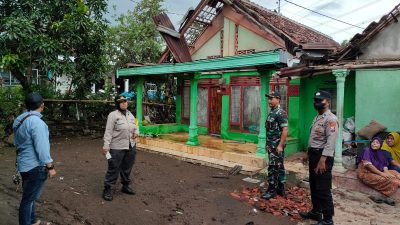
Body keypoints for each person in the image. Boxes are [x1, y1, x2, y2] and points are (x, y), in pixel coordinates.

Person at [13, 92, 56, 225]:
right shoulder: (37, 123)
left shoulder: (19, 119)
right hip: (35, 166)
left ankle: (32, 221)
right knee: (28, 199)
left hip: (24, 164)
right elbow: (42, 148)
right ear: (42, 105)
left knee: (29, 197)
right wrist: (50, 166)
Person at [300, 90, 338, 225]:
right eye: (315, 100)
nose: (317, 103)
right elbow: (313, 138)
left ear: (327, 102)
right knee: (314, 186)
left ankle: (328, 219)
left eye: (320, 100)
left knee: (323, 188)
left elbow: (331, 140)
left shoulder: (331, 119)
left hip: (323, 157)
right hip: (314, 155)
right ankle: (316, 212)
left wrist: (323, 160)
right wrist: (307, 153)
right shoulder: (317, 118)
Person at [102, 95, 139, 201]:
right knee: (114, 167)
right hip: (116, 147)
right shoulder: (113, 115)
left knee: (127, 167)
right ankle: (108, 188)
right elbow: (108, 131)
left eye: (125, 101)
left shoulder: (130, 114)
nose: (124, 103)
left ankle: (125, 186)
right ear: (117, 104)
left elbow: (136, 126)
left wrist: (136, 132)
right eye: (121, 102)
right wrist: (106, 146)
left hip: (130, 145)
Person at [357, 137, 400, 205]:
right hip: (366, 173)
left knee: (396, 174)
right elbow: (369, 166)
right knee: (393, 181)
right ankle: (384, 196)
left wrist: (387, 173)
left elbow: (384, 166)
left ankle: (381, 197)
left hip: (376, 172)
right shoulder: (367, 150)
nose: (374, 144)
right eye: (373, 142)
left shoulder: (380, 153)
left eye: (377, 143)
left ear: (380, 145)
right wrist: (382, 174)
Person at [261, 92, 288, 200]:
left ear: (278, 99)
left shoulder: (280, 113)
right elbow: (270, 130)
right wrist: (267, 144)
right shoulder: (272, 112)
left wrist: (280, 145)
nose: (269, 101)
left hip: (276, 146)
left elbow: (285, 130)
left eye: (271, 98)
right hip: (272, 145)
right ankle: (281, 189)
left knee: (273, 167)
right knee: (279, 166)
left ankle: (271, 190)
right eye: (268, 99)